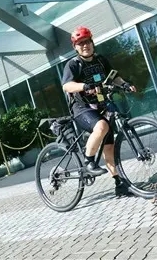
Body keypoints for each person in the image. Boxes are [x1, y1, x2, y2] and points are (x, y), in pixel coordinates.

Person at [61, 26, 137, 197]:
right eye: (80, 43)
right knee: (102, 127)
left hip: (101, 105)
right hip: (81, 108)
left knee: (109, 147)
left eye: (87, 41)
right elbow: (67, 86)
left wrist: (124, 84)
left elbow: (113, 77)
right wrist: (84, 86)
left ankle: (119, 184)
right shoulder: (73, 64)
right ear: (75, 47)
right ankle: (89, 161)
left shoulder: (101, 60)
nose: (85, 45)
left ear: (92, 42)